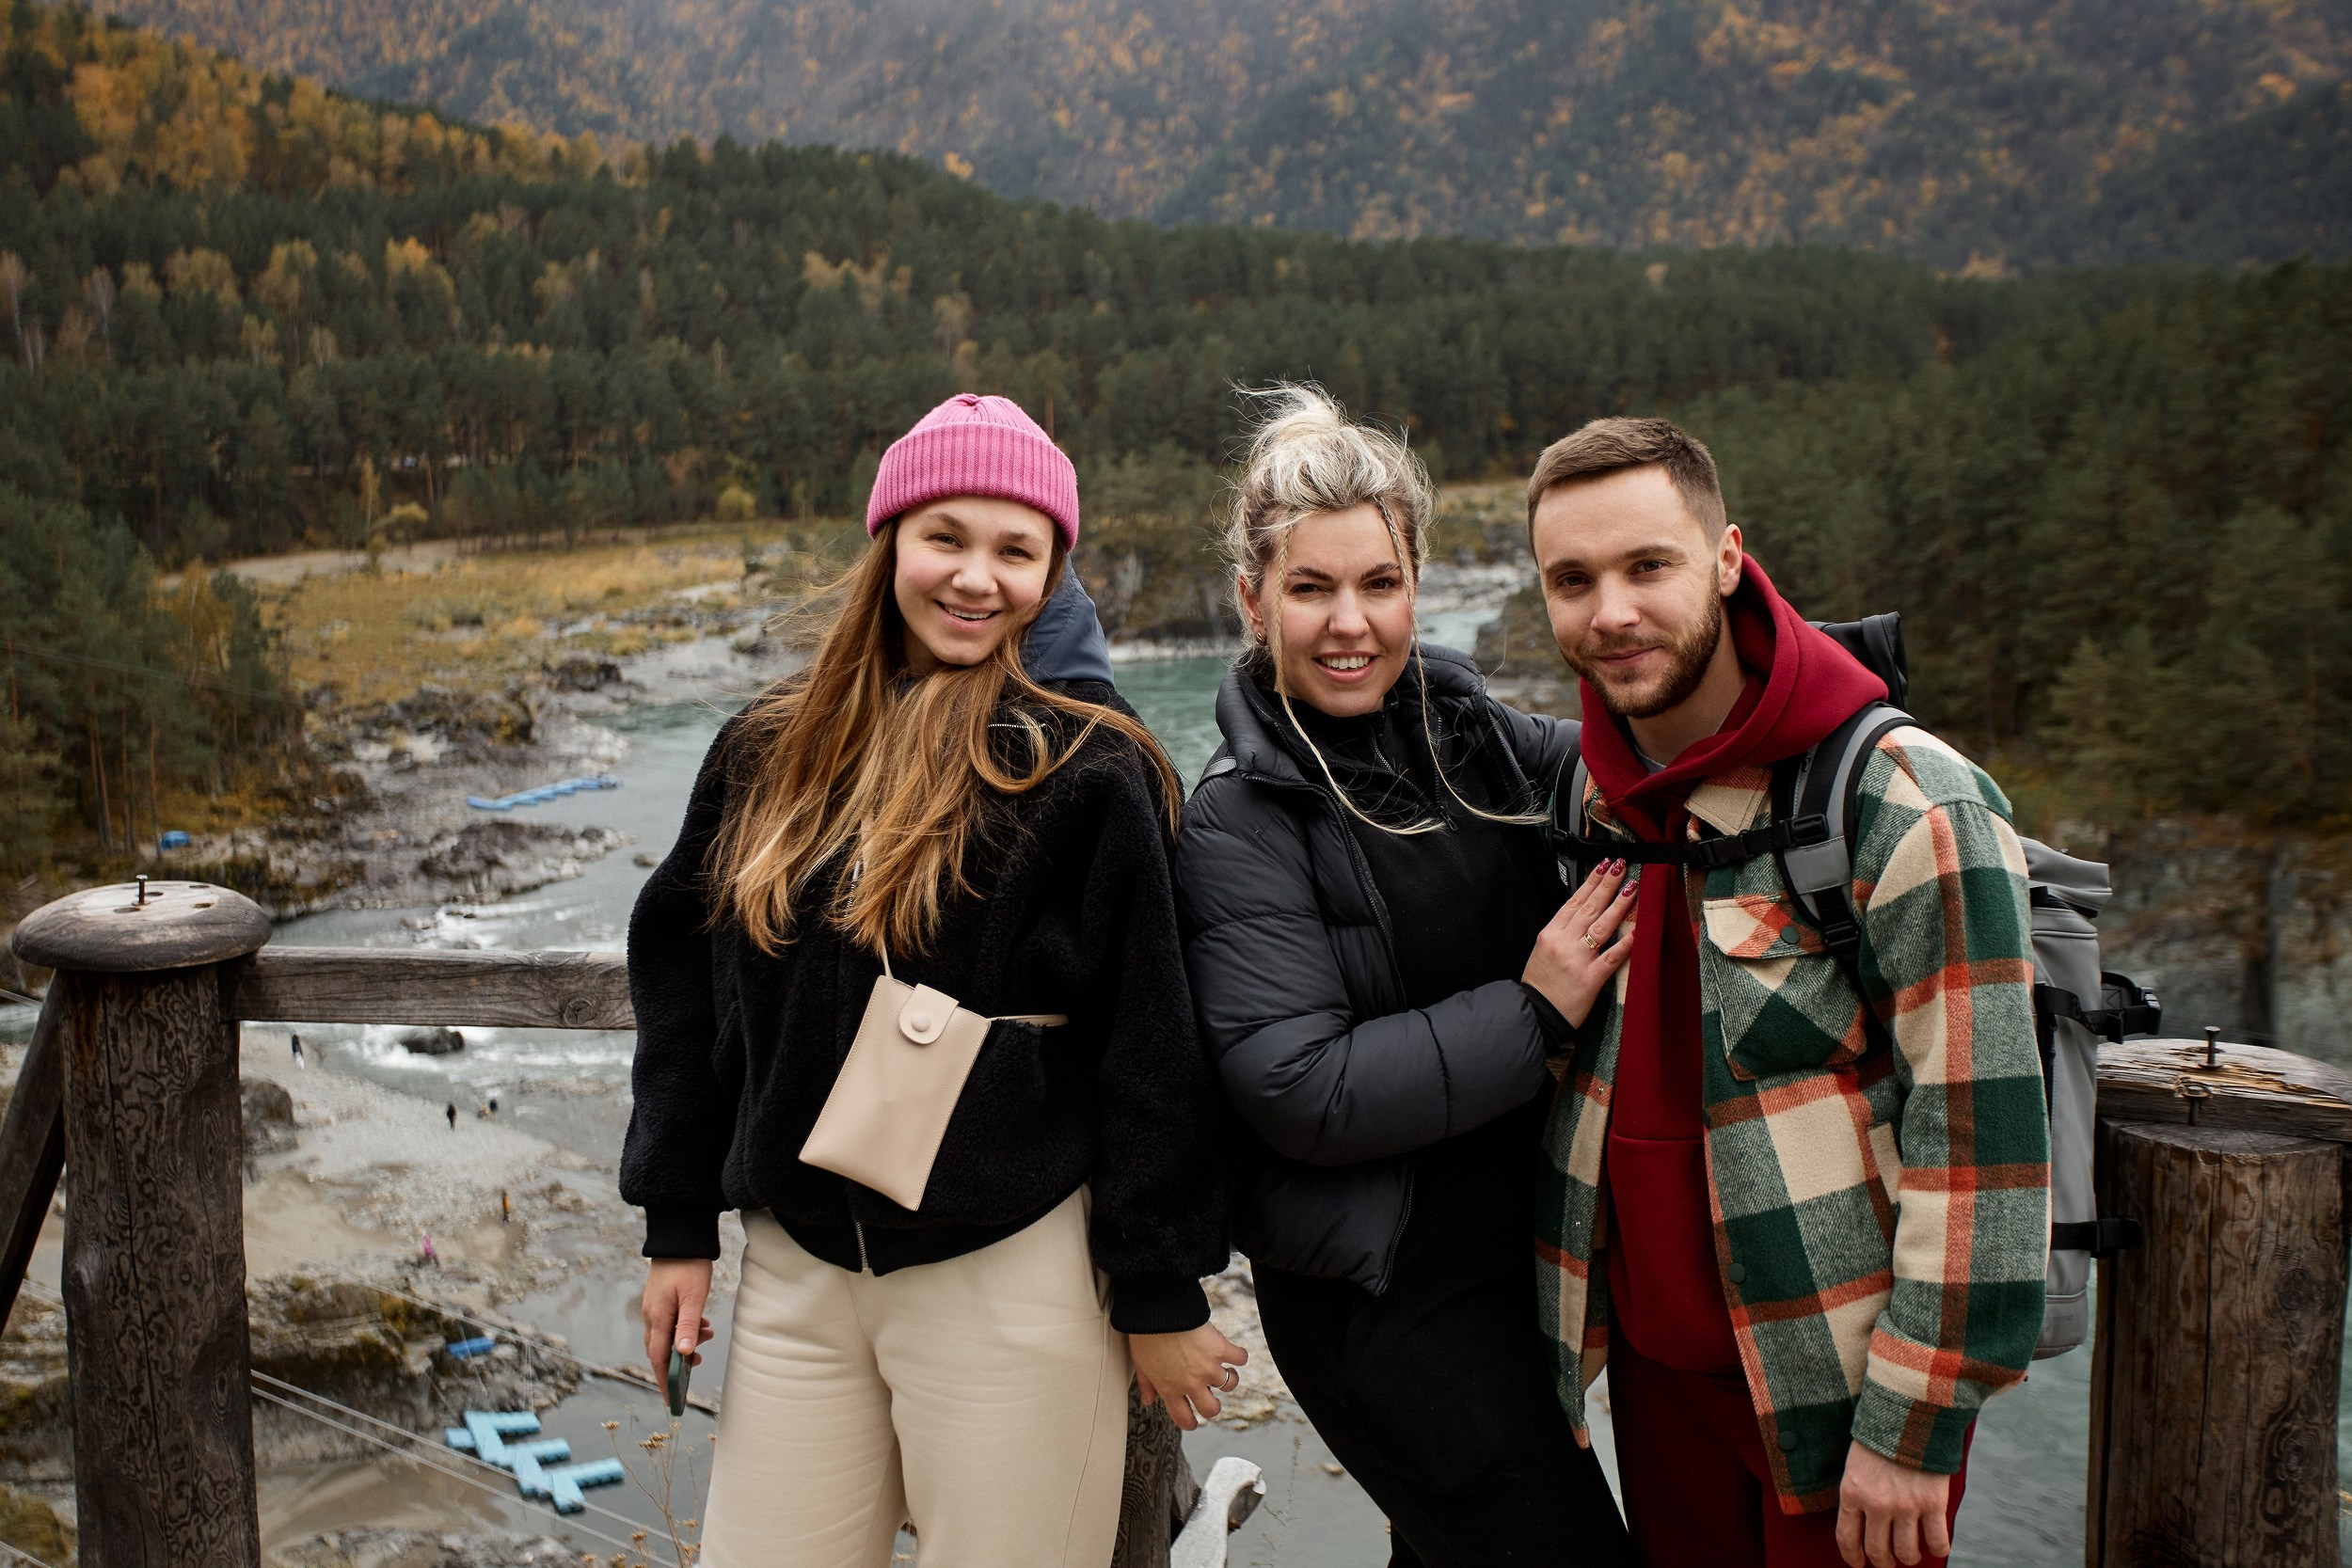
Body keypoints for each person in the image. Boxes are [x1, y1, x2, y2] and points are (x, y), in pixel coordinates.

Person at [623, 393, 1239, 1568]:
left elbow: (1151, 1042)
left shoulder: (1089, 768)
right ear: (889, 542)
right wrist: (675, 1220)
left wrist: (1158, 1288)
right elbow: (683, 983)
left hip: (1007, 1281)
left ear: (1053, 571)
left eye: (1017, 550)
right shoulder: (767, 749)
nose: (976, 577)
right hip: (798, 1274)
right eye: (945, 537)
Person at [1519, 419, 2049, 1568]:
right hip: (1657, 1383)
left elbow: (1982, 1145)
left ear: (1725, 557)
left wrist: (1915, 1427)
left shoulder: (1902, 797)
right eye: (1572, 579)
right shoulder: (1589, 793)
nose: (1608, 611)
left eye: (1645, 565)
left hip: (1839, 1394)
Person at [1175, 387, 1633, 1568]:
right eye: (1310, 588)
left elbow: (1635, 758)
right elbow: (1301, 1085)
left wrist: (1825, 683)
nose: (1349, 623)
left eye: (1377, 584)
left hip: (1518, 1256)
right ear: (1251, 598)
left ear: (1415, 583)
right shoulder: (1240, 818)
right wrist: (1531, 1009)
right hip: (1385, 1300)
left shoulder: (1463, 730)